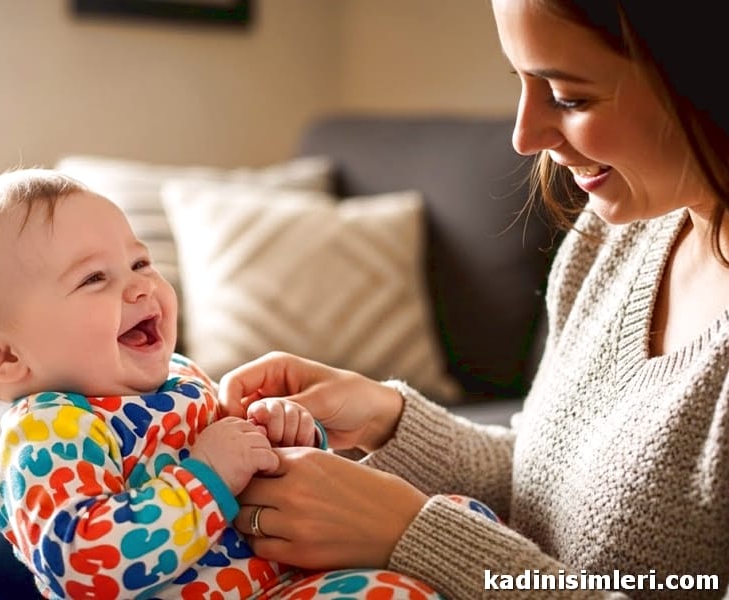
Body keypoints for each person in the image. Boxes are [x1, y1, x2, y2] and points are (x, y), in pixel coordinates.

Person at [216, 1, 729, 599]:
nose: (523, 136)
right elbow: (550, 486)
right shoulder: (616, 237)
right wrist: (388, 419)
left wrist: (415, 536)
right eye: (520, 81)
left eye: (569, 96)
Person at [0, 168, 489, 598]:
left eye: (139, 262)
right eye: (94, 279)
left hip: (278, 578)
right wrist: (204, 479)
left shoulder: (181, 379)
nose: (138, 287)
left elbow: (274, 486)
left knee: (462, 520)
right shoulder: (49, 431)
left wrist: (287, 435)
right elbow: (84, 564)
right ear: (1, 353)